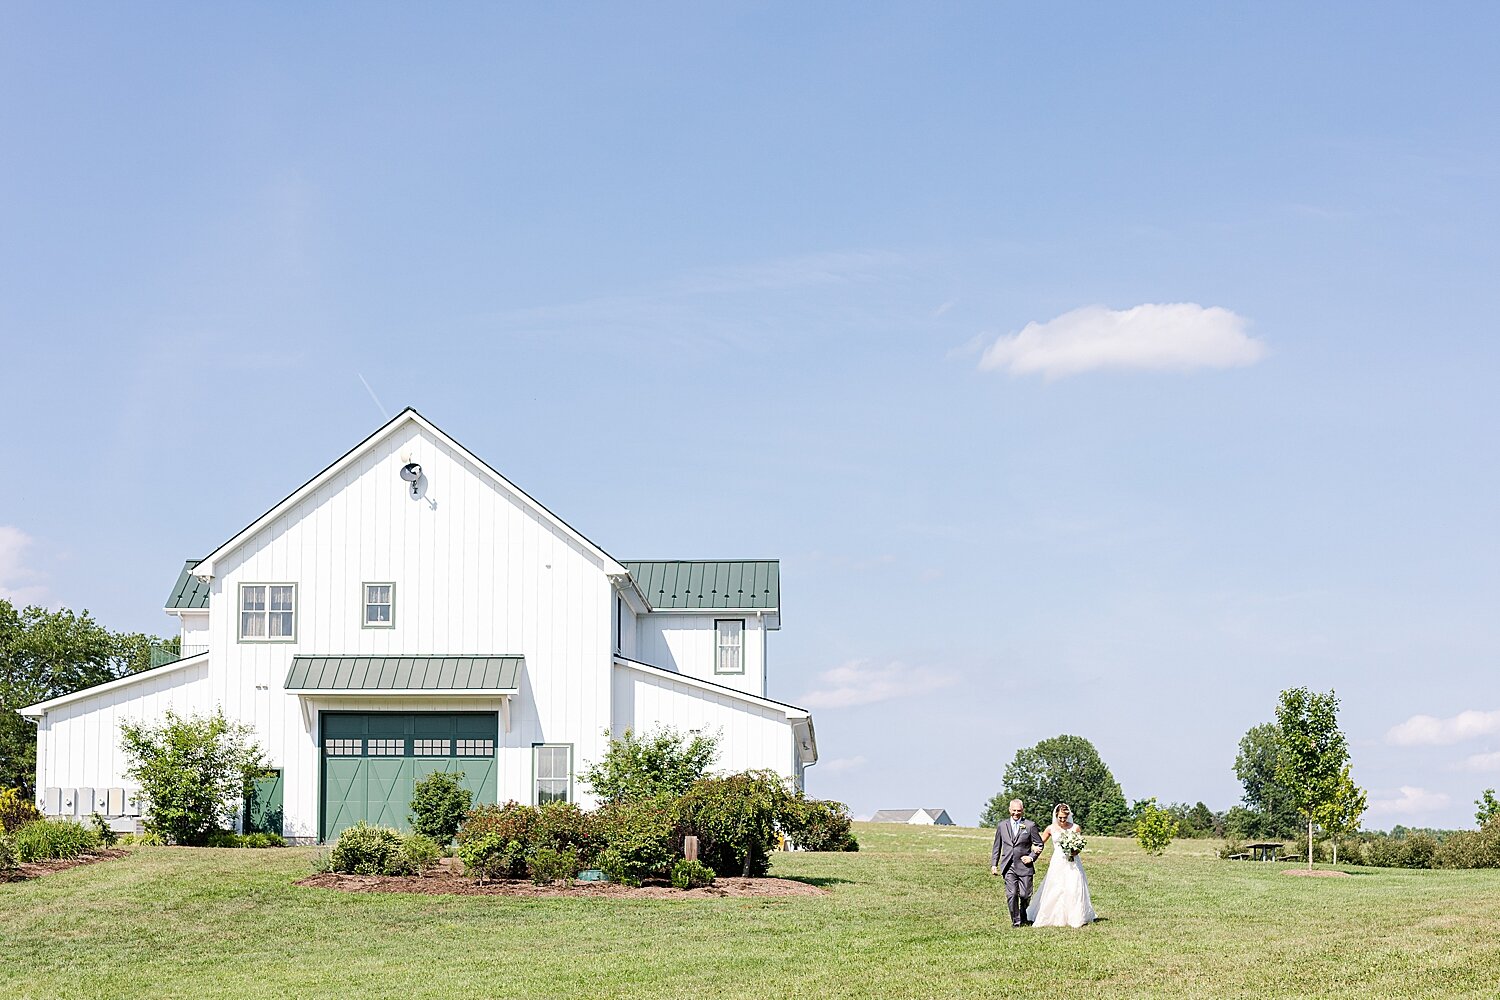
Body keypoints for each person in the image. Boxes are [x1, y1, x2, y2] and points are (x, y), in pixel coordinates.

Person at [1025, 803, 1097, 927]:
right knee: (1056, 887)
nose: (1062, 820)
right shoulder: (1050, 828)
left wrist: (1075, 851)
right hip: (1058, 861)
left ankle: (1075, 916)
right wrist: (1031, 851)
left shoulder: (1075, 828)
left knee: (1074, 886)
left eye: (1064, 817)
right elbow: (1040, 843)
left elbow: (1079, 845)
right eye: (1060, 818)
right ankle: (1053, 916)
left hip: (1072, 862)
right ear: (1056, 816)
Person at [990, 798, 1045, 927]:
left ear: (1022, 811)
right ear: (1009, 810)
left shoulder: (1030, 826)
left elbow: (1039, 844)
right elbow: (996, 846)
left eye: (1018, 811)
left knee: (1025, 894)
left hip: (1025, 866)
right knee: (1012, 894)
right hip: (1008, 866)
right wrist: (994, 864)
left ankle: (1023, 913)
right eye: (1014, 810)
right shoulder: (1002, 825)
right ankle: (1016, 921)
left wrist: (1031, 857)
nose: (1016, 813)